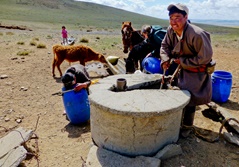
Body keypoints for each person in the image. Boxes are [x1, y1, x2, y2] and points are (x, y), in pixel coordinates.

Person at [160, 3, 213, 137]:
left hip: (195, 70)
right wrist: (165, 59)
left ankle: (187, 126)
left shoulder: (197, 34)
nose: (174, 21)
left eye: (177, 17)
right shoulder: (170, 30)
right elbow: (164, 45)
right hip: (180, 67)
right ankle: (177, 120)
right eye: (171, 18)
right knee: (176, 92)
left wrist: (183, 62)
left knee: (190, 97)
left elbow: (205, 58)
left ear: (186, 17)